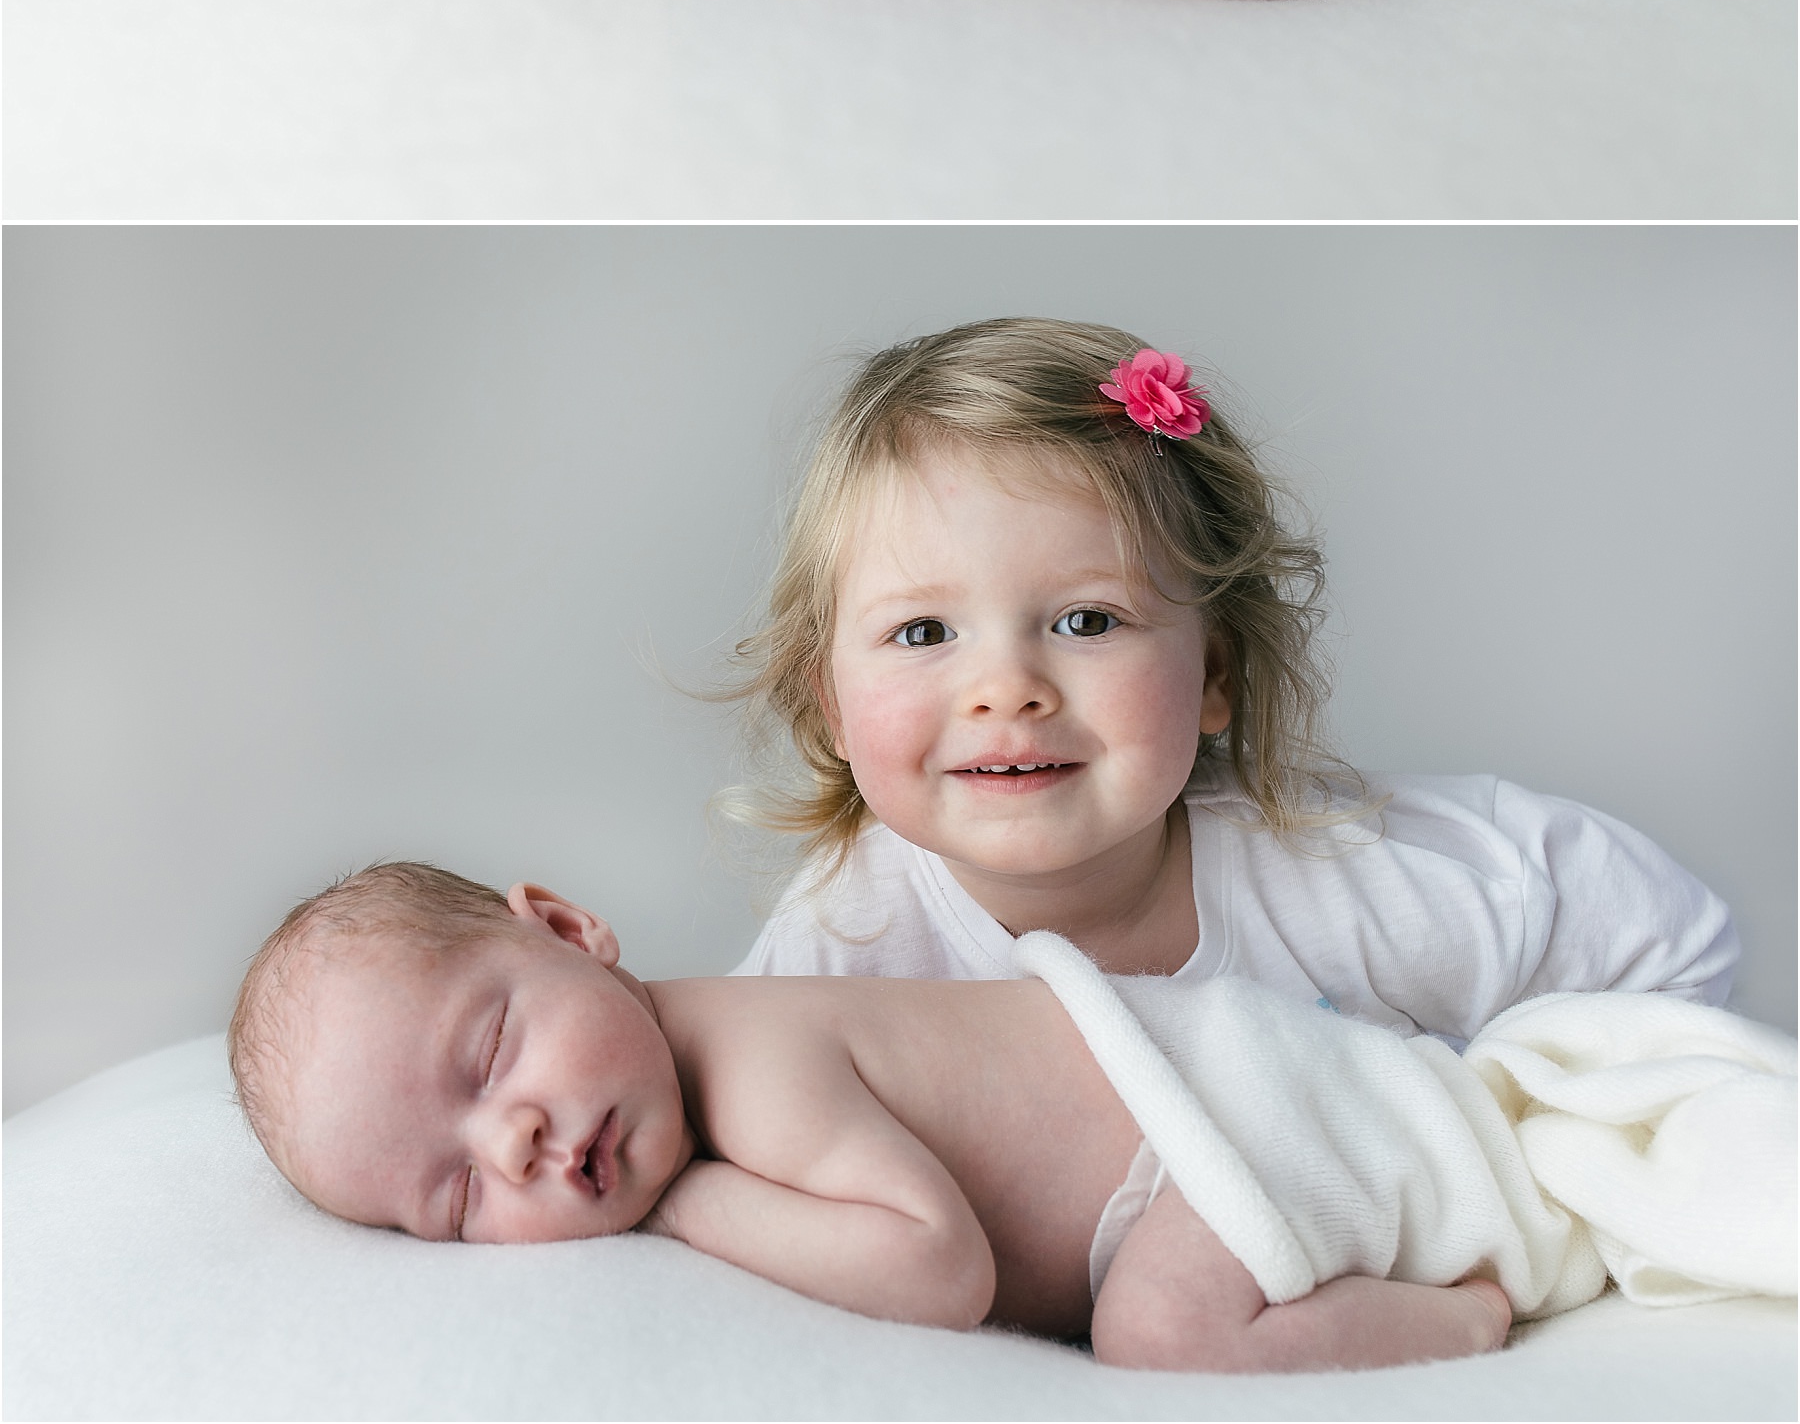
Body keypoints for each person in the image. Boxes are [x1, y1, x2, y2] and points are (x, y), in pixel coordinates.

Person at [227, 861, 1794, 1373]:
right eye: (448, 1197)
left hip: (1236, 1107)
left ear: (568, 928)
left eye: (489, 1049)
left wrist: (694, 1200)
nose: (510, 1140)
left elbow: (938, 1268)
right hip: (1203, 1123)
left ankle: (1460, 1314)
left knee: (1163, 1335)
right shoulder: (681, 1080)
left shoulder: (751, 1065)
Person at [729, 317, 1737, 1043]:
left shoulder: (1339, 888)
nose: (1007, 689)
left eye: (1086, 620)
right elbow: (741, 1122)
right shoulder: (846, 933)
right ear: (830, 704)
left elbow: (1662, 933)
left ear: (1215, 673)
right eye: (921, 631)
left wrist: (1515, 1147)